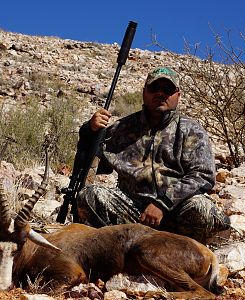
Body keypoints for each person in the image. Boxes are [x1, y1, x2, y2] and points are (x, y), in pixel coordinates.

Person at [76, 66, 230, 243]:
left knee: (203, 209)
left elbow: (203, 175)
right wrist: (89, 130)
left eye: (167, 90)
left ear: (177, 95)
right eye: (154, 88)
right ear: (144, 92)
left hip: (175, 211)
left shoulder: (191, 130)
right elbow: (92, 161)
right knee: (90, 195)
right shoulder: (122, 128)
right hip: (133, 213)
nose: (160, 93)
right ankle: (123, 251)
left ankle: (182, 249)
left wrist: (162, 204)